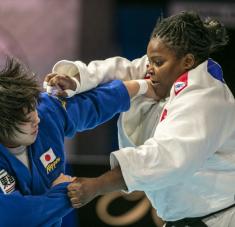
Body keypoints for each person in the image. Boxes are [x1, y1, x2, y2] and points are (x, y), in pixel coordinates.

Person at [45, 11, 235, 227]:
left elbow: (165, 157)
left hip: (219, 219)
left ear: (187, 61)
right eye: (150, 61)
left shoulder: (205, 98)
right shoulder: (166, 71)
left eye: (158, 62)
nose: (150, 69)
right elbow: (116, 70)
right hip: (189, 219)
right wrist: (74, 80)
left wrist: (97, 185)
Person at [0, 57, 157, 227]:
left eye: (34, 110)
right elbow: (17, 217)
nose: (36, 120)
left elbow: (93, 103)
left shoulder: (46, 112)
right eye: (26, 120)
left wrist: (142, 87)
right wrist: (66, 192)